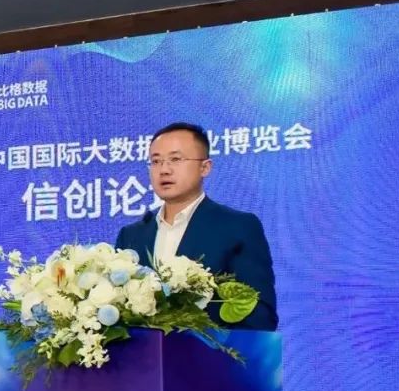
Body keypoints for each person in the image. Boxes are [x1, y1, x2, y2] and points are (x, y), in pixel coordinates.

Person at [115, 122, 278, 331]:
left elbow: (260, 314)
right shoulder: (131, 236)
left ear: (205, 167)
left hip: (213, 351)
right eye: (156, 161)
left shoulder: (238, 227)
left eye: (175, 159)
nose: (164, 170)